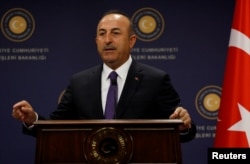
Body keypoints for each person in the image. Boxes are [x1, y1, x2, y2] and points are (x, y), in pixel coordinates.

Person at [12, 10, 196, 142]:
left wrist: (183, 126)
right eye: (102, 34)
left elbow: (181, 128)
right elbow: (55, 127)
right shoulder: (79, 82)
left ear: (131, 41)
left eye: (115, 33)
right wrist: (32, 119)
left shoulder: (156, 80)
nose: (108, 39)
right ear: (96, 41)